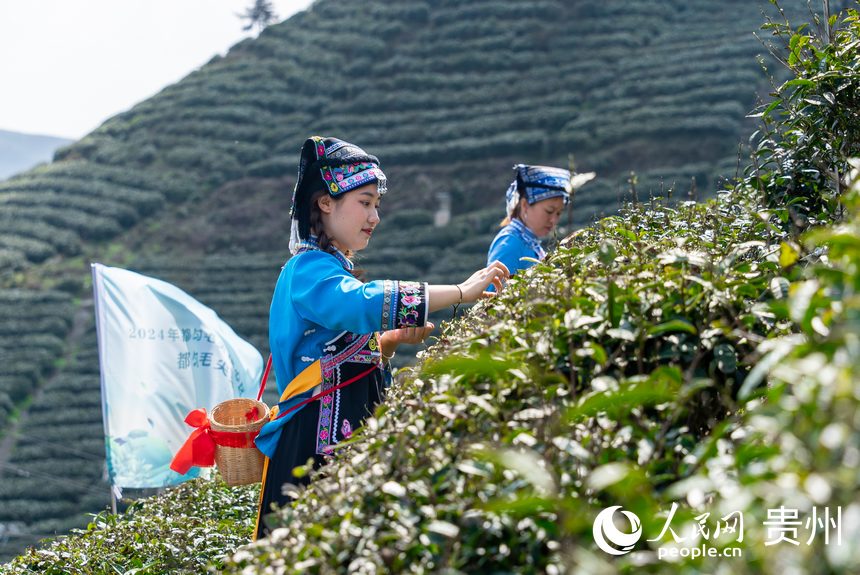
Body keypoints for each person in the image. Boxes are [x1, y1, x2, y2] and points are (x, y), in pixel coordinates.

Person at [254, 136, 509, 538]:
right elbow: (361, 304)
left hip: (344, 433)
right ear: (325, 202)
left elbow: (339, 356)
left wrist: (386, 343)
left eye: (377, 205)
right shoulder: (306, 270)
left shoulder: (326, 269)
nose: (375, 216)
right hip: (312, 442)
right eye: (366, 202)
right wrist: (459, 292)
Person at [486, 164, 572, 287]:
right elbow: (492, 296)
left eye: (558, 213)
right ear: (525, 205)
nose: (554, 220)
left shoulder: (528, 242)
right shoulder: (510, 244)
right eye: (549, 211)